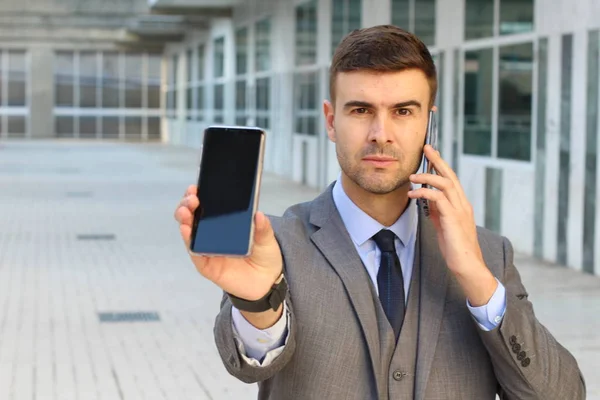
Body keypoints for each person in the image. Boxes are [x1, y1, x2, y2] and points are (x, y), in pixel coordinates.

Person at [174, 25, 586, 400]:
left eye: (403, 112)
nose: (381, 133)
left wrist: (476, 279)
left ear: (429, 123)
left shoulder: (488, 255)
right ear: (331, 121)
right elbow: (244, 364)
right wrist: (260, 303)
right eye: (360, 110)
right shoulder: (277, 244)